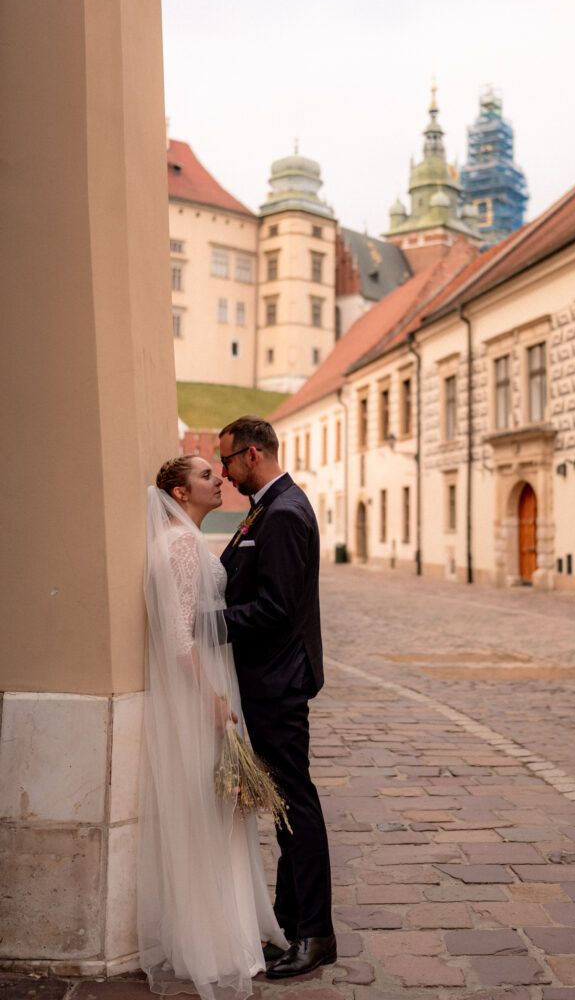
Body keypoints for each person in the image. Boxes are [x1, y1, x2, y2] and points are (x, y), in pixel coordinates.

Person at [138, 455, 287, 1000]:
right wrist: (211, 701)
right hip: (201, 690)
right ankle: (218, 942)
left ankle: (224, 930)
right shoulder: (181, 544)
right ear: (180, 493)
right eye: (206, 475)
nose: (218, 479)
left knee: (216, 809)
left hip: (209, 680)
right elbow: (180, 636)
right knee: (214, 811)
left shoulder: (184, 539)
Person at [219, 415, 336, 980]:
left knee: (296, 804)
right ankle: (292, 925)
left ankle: (316, 933)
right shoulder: (267, 506)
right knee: (287, 808)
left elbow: (277, 608)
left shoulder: (285, 512)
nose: (223, 472)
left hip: (279, 680)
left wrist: (209, 623)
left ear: (252, 454)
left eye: (227, 461)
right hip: (268, 677)